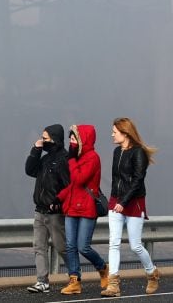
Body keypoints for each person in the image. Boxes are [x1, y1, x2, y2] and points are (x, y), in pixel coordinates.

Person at [101, 117, 159, 297]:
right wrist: (113, 201)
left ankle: (152, 274)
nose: (112, 135)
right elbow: (116, 180)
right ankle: (113, 285)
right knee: (114, 243)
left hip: (133, 203)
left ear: (125, 133)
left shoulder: (138, 153)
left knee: (135, 246)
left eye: (115, 132)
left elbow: (137, 180)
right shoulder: (116, 152)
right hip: (115, 201)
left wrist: (123, 202)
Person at [56, 124, 108, 295]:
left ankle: (102, 267)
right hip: (72, 207)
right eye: (70, 139)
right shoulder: (77, 157)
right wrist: (59, 198)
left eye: (73, 139)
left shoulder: (92, 158)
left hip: (87, 208)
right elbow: (72, 187)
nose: (71, 142)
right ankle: (74, 281)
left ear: (82, 140)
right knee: (70, 245)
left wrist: (71, 160)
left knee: (83, 246)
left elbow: (79, 180)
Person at [24, 124, 70, 293]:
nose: (42, 141)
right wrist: (35, 150)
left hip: (55, 213)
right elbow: (29, 170)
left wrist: (58, 203)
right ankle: (42, 281)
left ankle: (74, 276)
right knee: (39, 247)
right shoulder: (44, 159)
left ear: (55, 139)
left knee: (61, 247)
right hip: (40, 210)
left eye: (45, 138)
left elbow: (68, 186)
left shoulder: (64, 159)